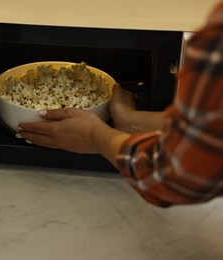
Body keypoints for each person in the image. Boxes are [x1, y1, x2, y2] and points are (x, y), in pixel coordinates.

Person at [16, 2, 223, 207]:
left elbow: (172, 174)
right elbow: (210, 123)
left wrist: (95, 136)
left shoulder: (216, 38)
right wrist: (129, 120)